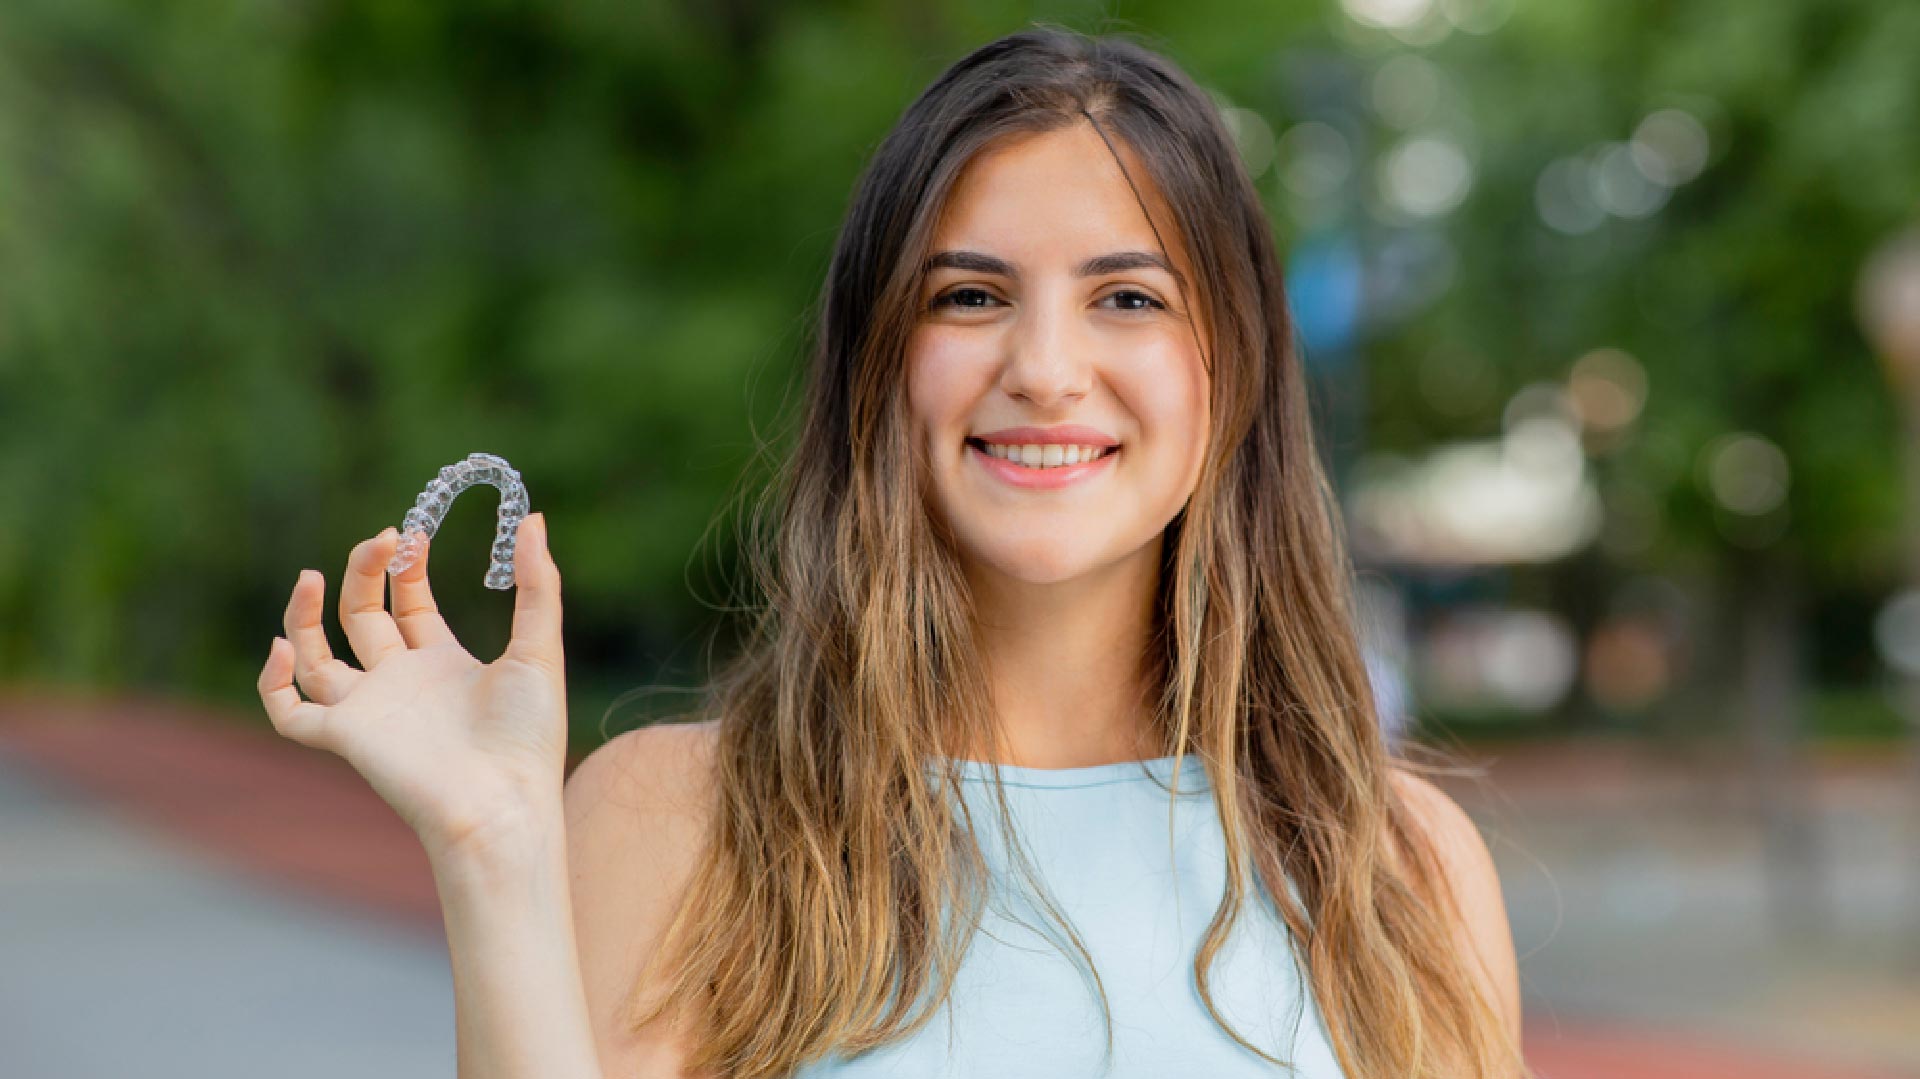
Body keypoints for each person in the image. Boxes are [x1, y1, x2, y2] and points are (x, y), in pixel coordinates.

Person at [258, 25, 1525, 1079]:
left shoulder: (1396, 864)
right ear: (879, 366)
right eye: (968, 296)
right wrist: (494, 847)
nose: (1042, 369)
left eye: (1127, 298)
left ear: (1232, 369)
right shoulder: (679, 820)